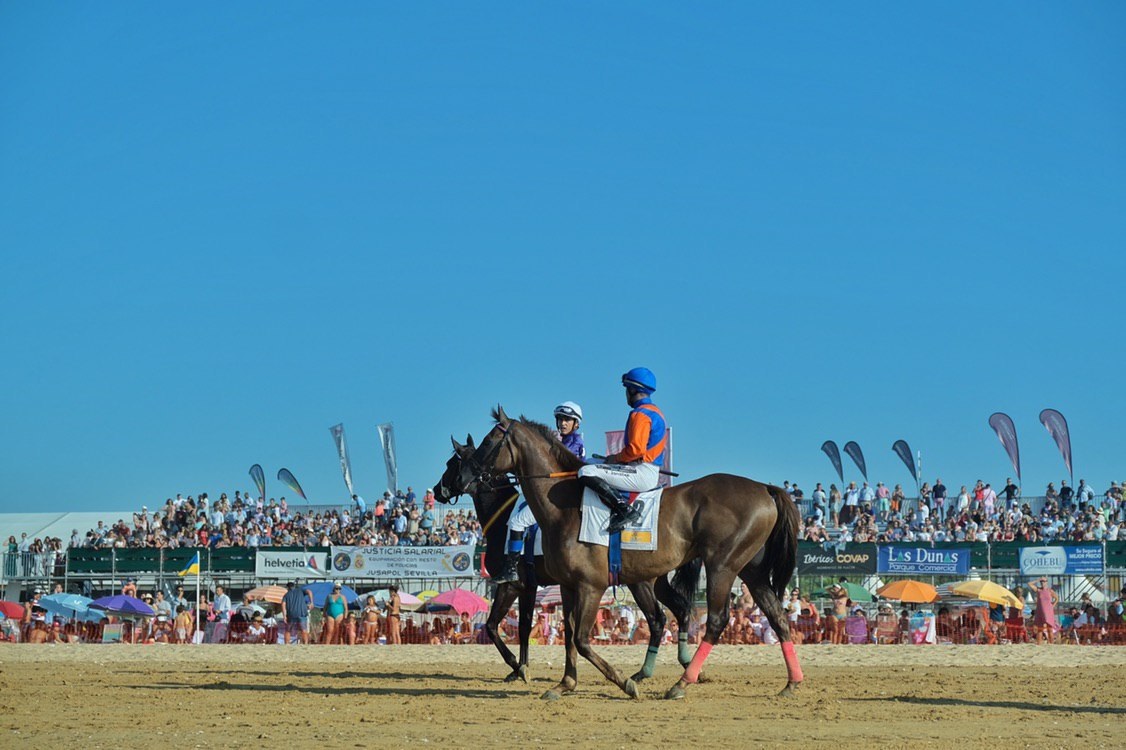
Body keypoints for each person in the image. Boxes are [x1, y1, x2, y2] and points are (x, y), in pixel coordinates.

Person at [494, 401, 587, 583]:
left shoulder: (574, 443)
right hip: (555, 492)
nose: (562, 423)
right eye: (560, 419)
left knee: (517, 522)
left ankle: (512, 568)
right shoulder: (560, 441)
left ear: (576, 424)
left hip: (559, 496)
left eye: (567, 419)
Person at [578, 368, 668, 533]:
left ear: (633, 390)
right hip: (643, 469)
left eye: (627, 389)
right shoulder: (656, 411)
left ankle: (624, 509)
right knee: (590, 462)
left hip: (641, 472)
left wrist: (615, 458)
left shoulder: (640, 414)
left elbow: (635, 450)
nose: (626, 394)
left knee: (585, 472)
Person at [1028, 576, 1060, 644]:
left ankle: (1051, 643)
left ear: (1047, 582)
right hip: (1040, 610)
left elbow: (1057, 598)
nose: (1042, 583)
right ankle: (1039, 643)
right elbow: (1029, 584)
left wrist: (1052, 606)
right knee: (1040, 629)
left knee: (1050, 629)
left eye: (1044, 581)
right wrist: (1038, 579)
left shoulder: (1050, 590)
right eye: (1041, 582)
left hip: (1048, 611)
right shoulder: (1038, 590)